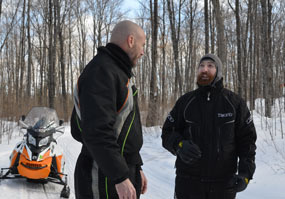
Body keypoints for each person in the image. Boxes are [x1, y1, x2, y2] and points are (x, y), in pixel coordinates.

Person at [161, 54, 257, 199]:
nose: (204, 69)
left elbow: (247, 142)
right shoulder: (186, 102)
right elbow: (167, 133)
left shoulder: (235, 103)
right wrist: (179, 145)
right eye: (201, 66)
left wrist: (245, 174)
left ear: (218, 72)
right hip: (187, 184)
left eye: (210, 66)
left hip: (223, 185)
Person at [72, 20, 147, 199]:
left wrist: (136, 167)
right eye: (142, 45)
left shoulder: (118, 72)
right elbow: (97, 131)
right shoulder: (101, 72)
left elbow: (126, 131)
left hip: (116, 170)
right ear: (131, 40)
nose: (143, 51)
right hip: (102, 176)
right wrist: (120, 176)